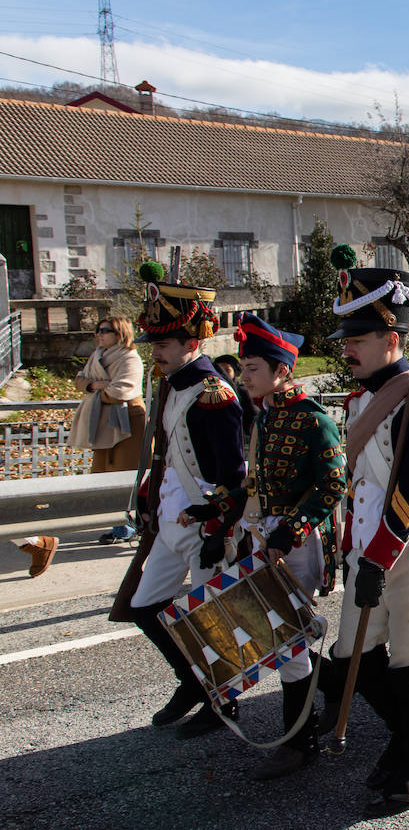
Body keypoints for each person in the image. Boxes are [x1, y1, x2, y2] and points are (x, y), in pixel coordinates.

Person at [184, 313, 345, 779]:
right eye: (247, 367)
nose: (243, 375)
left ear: (281, 370)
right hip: (261, 540)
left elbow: (332, 486)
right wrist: (217, 511)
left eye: (253, 367)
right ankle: (333, 687)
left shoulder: (312, 420)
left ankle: (301, 743)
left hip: (295, 543)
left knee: (288, 642)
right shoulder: (267, 415)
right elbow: (256, 484)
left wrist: (287, 531)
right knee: (280, 637)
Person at [323, 246, 409, 816]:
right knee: (351, 657)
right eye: (346, 339)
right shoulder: (362, 399)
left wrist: (378, 554)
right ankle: (404, 743)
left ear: (393, 338)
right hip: (370, 553)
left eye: (359, 338)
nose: (348, 348)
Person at [123, 262, 246, 740]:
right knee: (143, 605)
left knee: (211, 618)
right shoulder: (172, 388)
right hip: (172, 521)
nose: (155, 352)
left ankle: (223, 704)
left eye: (163, 344)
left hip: (203, 526)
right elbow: (171, 457)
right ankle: (194, 681)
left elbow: (233, 474)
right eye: (154, 343)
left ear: (191, 343)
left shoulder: (214, 394)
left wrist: (219, 527)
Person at [77, 316, 148, 545]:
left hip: (127, 421)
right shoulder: (97, 355)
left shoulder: (130, 358)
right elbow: (79, 381)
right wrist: (97, 385)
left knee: (126, 475)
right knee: (105, 475)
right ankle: (120, 524)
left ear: (120, 333)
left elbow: (121, 390)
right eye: (97, 330)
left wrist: (94, 388)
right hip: (103, 423)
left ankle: (129, 526)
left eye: (104, 330)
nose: (99, 334)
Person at [214, 353, 257, 440]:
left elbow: (251, 416)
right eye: (219, 371)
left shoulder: (243, 391)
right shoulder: (212, 393)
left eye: (227, 370)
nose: (223, 374)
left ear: (235, 372)